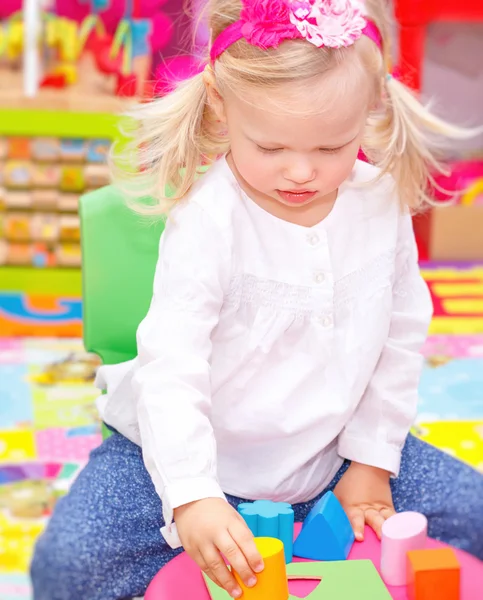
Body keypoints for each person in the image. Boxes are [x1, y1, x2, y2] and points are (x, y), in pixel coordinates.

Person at [31, 1, 483, 599]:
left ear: (370, 106)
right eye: (271, 148)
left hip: (334, 453)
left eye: (331, 148)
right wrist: (193, 498)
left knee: (472, 515)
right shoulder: (208, 220)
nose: (302, 173)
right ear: (221, 103)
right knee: (70, 562)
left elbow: (400, 334)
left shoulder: (379, 201)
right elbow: (173, 371)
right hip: (188, 455)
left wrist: (372, 462)